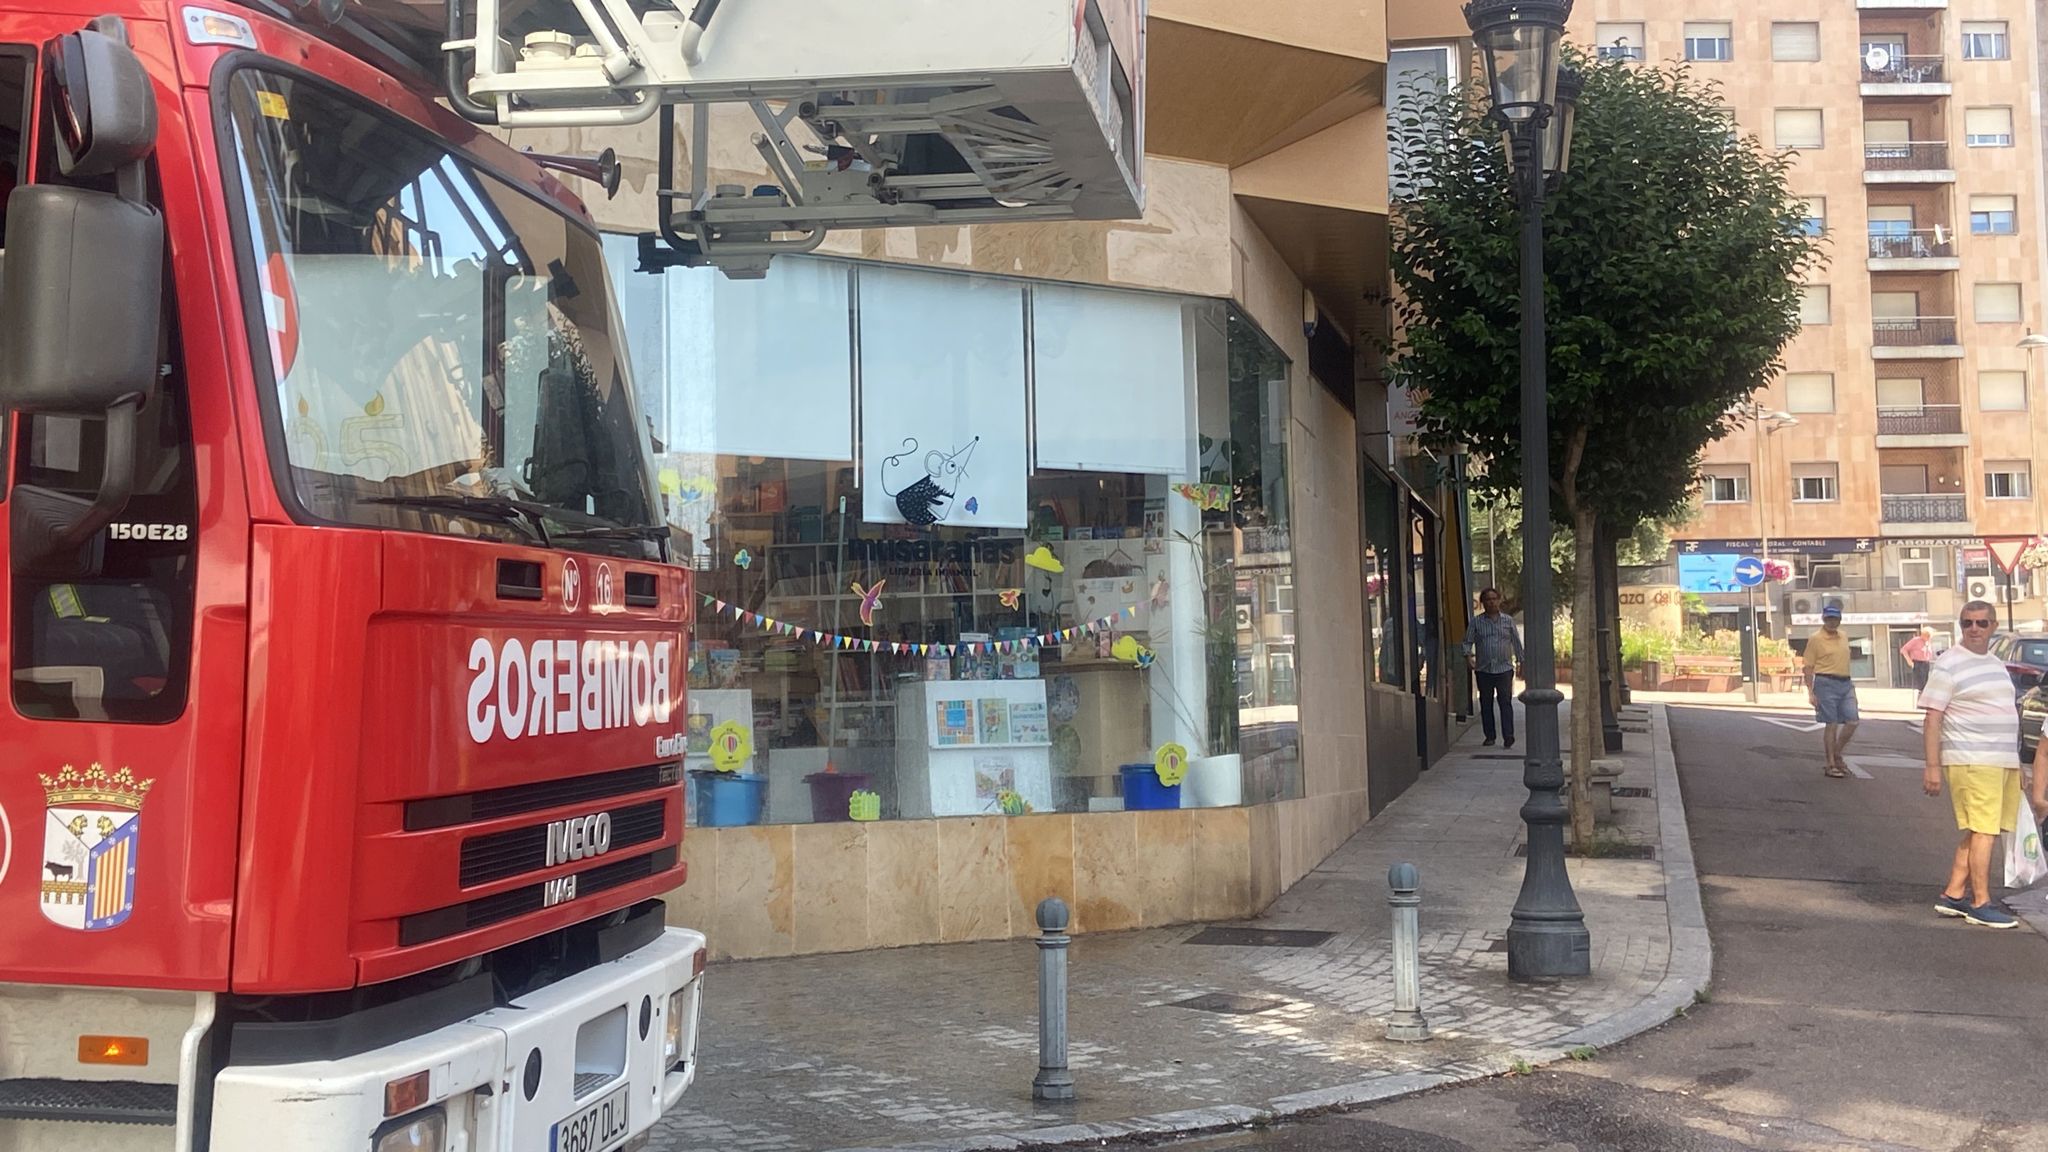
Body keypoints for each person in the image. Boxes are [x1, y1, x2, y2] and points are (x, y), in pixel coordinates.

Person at [1921, 601, 2045, 929]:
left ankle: (1953, 893)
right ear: (1960, 625)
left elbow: (2004, 713)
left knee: (1983, 829)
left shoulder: (1993, 662)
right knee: (1984, 831)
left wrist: (2017, 765)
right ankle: (1980, 902)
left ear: (1993, 626)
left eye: (1981, 623)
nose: (1974, 629)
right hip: (1972, 759)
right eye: (1967, 623)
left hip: (1999, 761)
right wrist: (1932, 766)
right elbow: (1933, 717)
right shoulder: (1949, 664)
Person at [1803, 604, 1859, 778]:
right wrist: (1810, 692)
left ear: (1839, 620)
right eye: (1828, 619)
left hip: (1845, 682)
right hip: (1825, 682)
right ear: (1823, 619)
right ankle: (1830, 764)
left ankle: (1837, 752)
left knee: (1853, 721)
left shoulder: (1843, 636)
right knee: (1832, 723)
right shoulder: (1816, 639)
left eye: (1835, 618)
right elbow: (1808, 667)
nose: (1832, 622)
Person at [1463, 587, 1524, 748]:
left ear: (1499, 600)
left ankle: (1508, 735)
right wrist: (1469, 657)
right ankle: (1490, 736)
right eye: (1488, 599)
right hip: (1484, 669)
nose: (1491, 602)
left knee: (1505, 702)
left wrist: (1521, 662)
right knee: (1486, 703)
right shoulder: (1476, 622)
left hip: (1504, 669)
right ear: (1483, 603)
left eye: (1494, 599)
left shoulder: (1508, 621)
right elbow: (1467, 641)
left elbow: (1516, 643)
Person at [1900, 626, 1935, 691]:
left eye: (1930, 636)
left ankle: (1924, 697)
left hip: (1926, 663)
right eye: (1927, 636)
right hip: (1918, 663)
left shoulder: (1928, 642)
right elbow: (1903, 650)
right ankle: (1920, 696)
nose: (1929, 638)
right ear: (1923, 634)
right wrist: (1909, 661)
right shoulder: (1916, 640)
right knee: (1920, 683)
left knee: (1926, 682)